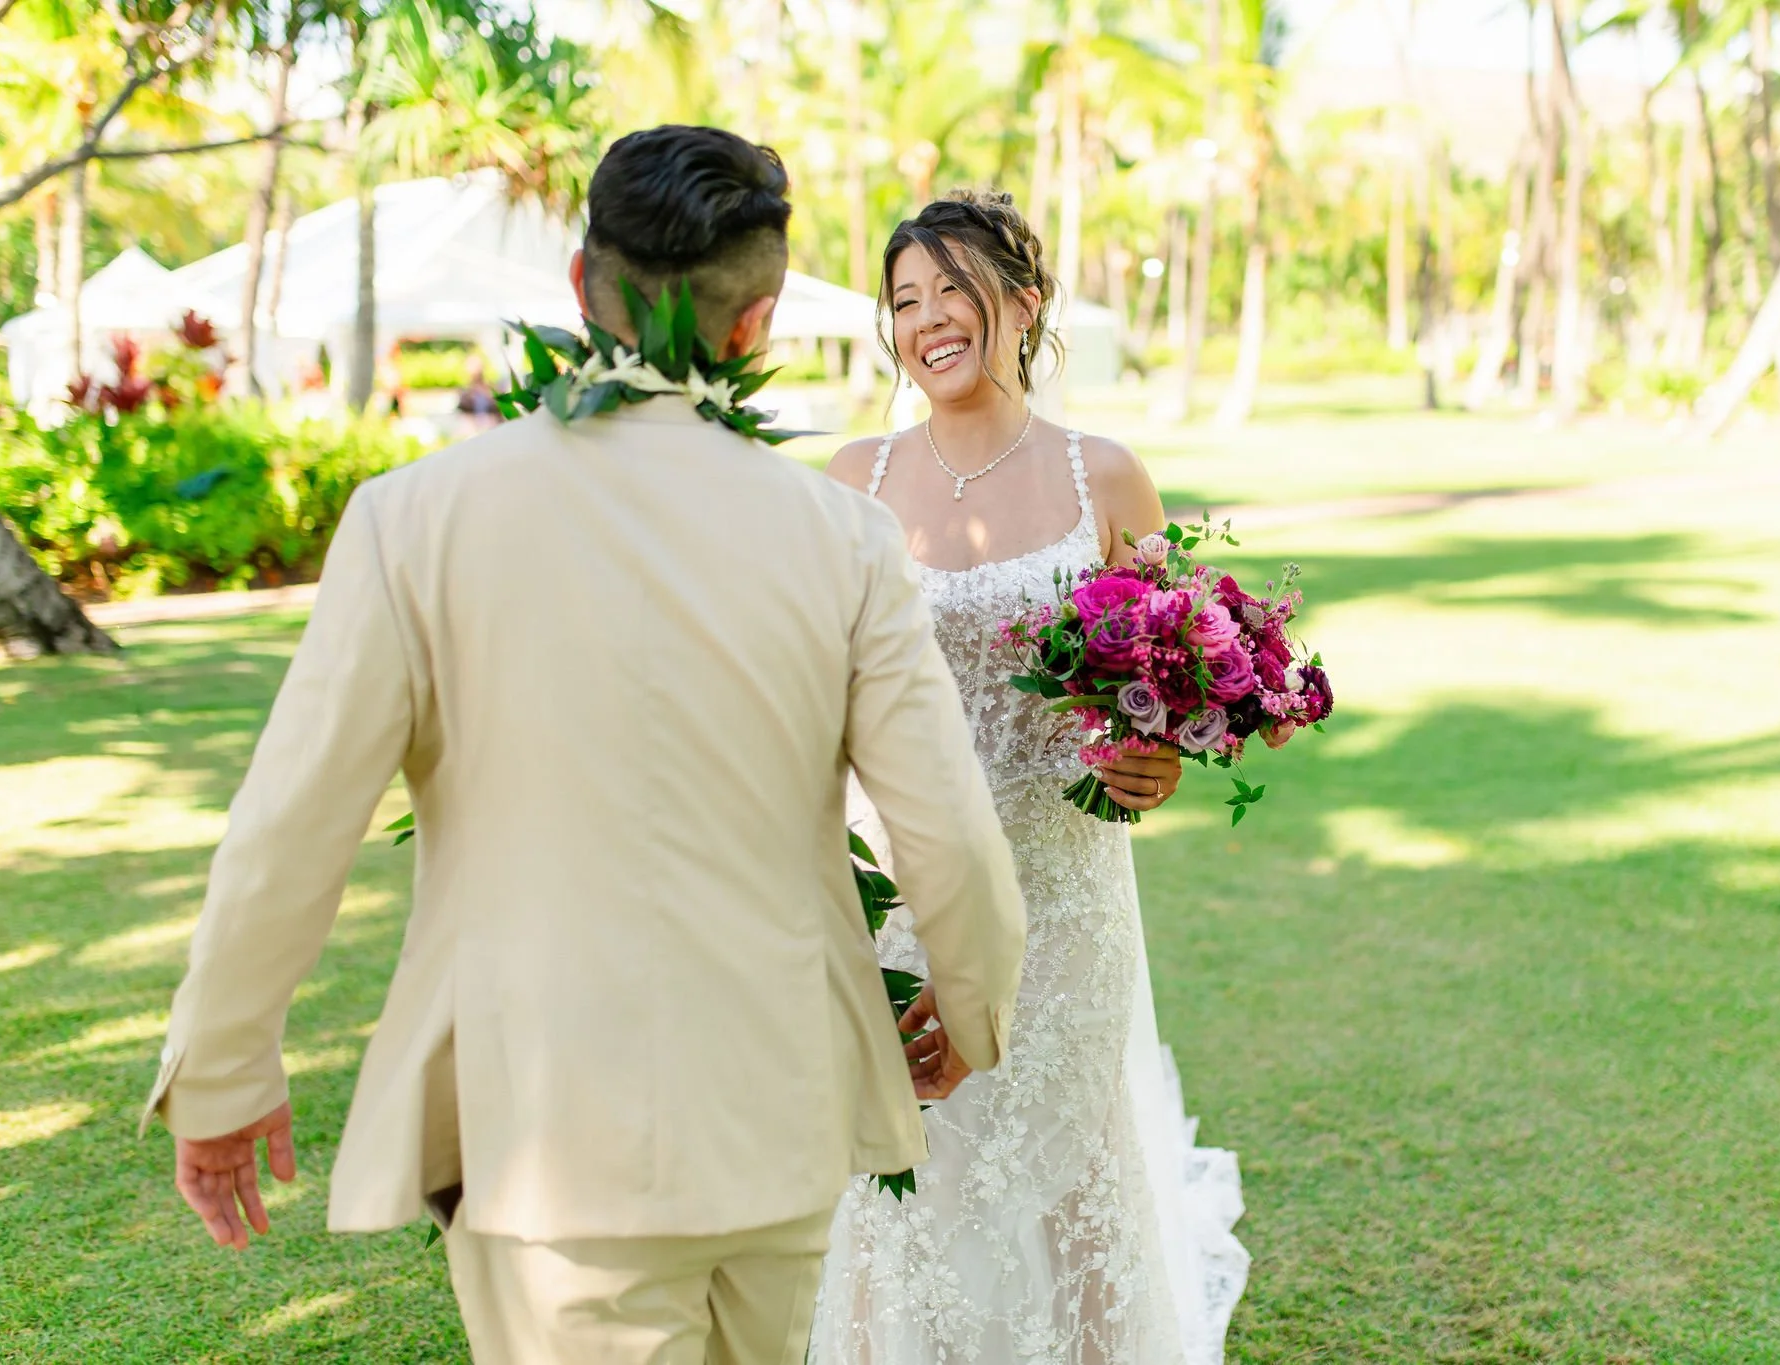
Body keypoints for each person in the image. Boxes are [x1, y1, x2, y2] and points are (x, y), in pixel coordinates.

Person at [140, 126, 1029, 1365]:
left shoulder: (415, 520)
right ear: (753, 325)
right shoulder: (842, 537)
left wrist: (226, 1071)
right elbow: (947, 831)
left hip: (543, 1135)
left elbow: (293, 824)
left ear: (578, 286)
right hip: (777, 1114)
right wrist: (970, 1010)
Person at [812, 190, 1250, 1365]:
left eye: (952, 289)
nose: (928, 320)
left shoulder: (1102, 478)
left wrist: (1155, 761)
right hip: (901, 890)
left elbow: (1172, 677)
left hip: (1065, 894)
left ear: (1023, 304)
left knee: (1065, 1171)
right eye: (905, 300)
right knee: (909, 1179)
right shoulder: (850, 479)